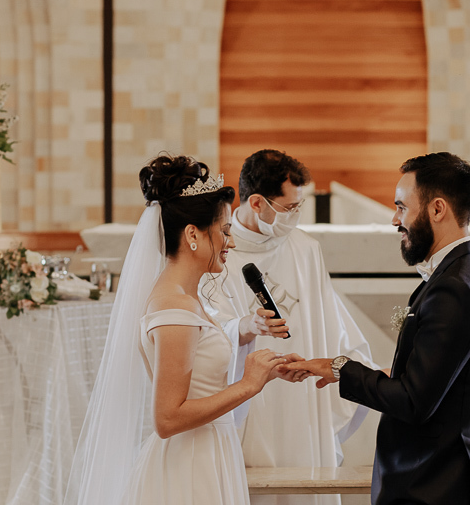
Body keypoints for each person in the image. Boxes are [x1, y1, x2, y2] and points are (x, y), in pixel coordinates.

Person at [284, 152, 470, 504]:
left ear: (437, 209)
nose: (394, 219)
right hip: (455, 472)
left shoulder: (454, 288)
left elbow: (414, 402)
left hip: (435, 484)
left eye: (401, 207)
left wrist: (341, 368)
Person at [65, 154, 306, 505]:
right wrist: (248, 385)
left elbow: (201, 379)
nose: (231, 242)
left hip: (206, 453)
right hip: (189, 465)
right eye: (224, 231)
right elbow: (167, 417)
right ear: (193, 233)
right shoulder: (173, 307)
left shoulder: (184, 299)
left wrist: (266, 371)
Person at [204, 149, 377, 505]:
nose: (295, 216)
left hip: (302, 398)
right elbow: (207, 322)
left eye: (299, 207)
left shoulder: (305, 249)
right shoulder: (221, 249)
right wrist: (244, 325)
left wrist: (348, 363)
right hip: (249, 393)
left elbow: (327, 320)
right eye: (288, 208)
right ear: (256, 202)